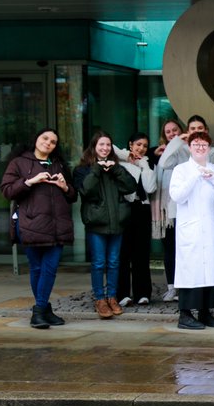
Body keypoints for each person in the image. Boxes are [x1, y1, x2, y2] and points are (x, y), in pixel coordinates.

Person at [0, 128, 76, 329]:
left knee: (49, 269)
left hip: (58, 225)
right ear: (36, 139)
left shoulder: (58, 164)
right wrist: (29, 182)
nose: (48, 143)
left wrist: (65, 187)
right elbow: (7, 191)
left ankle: (41, 310)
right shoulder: (19, 163)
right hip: (31, 224)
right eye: (45, 138)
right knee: (36, 268)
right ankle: (42, 311)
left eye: (53, 141)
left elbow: (73, 195)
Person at [74, 131, 138, 320]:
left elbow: (131, 186)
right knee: (99, 263)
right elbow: (85, 190)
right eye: (101, 145)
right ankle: (100, 299)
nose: (105, 148)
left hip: (117, 223)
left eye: (108, 145)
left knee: (114, 262)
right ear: (94, 147)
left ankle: (112, 297)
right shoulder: (82, 169)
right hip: (96, 224)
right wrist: (97, 169)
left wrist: (116, 170)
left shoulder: (116, 168)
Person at [167, 131, 214, 330]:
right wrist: (195, 175)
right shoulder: (181, 170)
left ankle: (205, 312)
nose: (200, 148)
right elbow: (177, 196)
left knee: (209, 269)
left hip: (210, 228)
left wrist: (212, 180)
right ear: (190, 148)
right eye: (196, 144)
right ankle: (184, 314)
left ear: (209, 149)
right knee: (190, 270)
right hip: (189, 229)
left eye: (204, 145)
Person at [155, 117, 204, 302]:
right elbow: (163, 163)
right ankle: (172, 286)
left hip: (193, 207)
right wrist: (176, 141)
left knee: (188, 248)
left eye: (175, 130)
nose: (172, 134)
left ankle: (191, 287)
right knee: (170, 248)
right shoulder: (173, 149)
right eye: (168, 132)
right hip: (171, 209)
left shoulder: (195, 148)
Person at [115, 133, 157, 307]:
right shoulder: (121, 160)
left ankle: (143, 293)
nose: (141, 148)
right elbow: (110, 148)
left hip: (142, 209)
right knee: (123, 253)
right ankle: (122, 293)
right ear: (131, 144)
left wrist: (144, 165)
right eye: (138, 144)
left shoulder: (147, 163)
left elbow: (150, 187)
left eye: (145, 146)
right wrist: (127, 156)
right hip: (125, 208)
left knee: (142, 253)